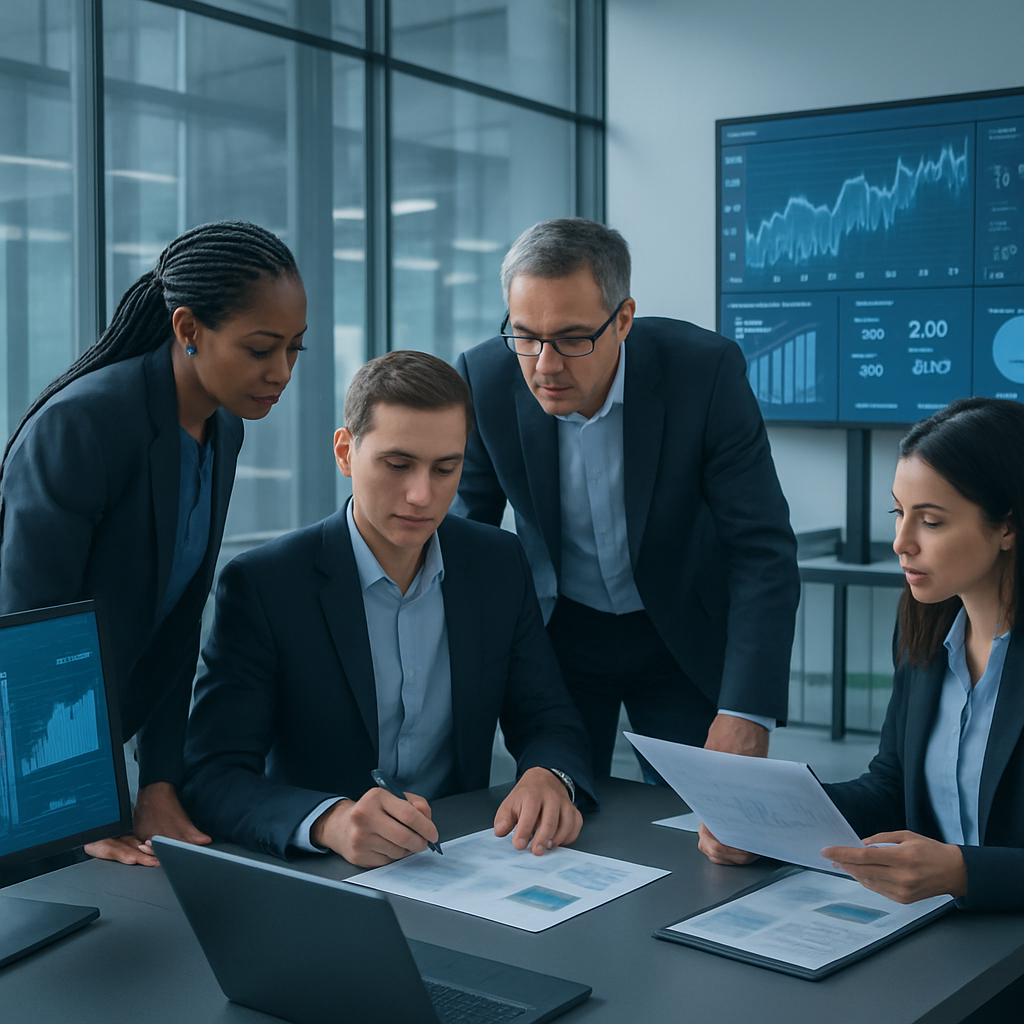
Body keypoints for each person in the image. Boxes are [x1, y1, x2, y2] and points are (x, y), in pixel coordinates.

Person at [181, 350, 594, 866]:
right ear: (345, 452)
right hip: (328, 875)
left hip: (465, 860)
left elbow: (547, 718)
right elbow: (211, 774)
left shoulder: (498, 564)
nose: (422, 495)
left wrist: (548, 775)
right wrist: (329, 821)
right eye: (397, 465)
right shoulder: (265, 585)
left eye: (446, 469)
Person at [0, 221, 307, 868]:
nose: (281, 372)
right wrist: (73, 802)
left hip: (101, 746)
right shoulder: (82, 426)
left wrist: (158, 782)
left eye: (294, 349)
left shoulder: (222, 426)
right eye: (260, 348)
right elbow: (29, 631)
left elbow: (178, 615)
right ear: (188, 329)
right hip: (28, 761)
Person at [453, 218, 800, 778]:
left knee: (702, 819)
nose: (544, 365)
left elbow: (760, 548)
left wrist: (747, 709)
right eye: (525, 335)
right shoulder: (484, 376)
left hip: (681, 632)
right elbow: (468, 541)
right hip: (559, 634)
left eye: (571, 337)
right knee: (560, 808)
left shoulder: (703, 371)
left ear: (624, 320)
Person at [701, 397, 1024, 912]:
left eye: (931, 522)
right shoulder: (926, 630)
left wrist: (965, 872)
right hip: (942, 941)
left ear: (1007, 526)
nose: (901, 542)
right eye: (899, 513)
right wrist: (769, 821)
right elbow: (891, 787)